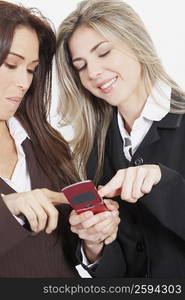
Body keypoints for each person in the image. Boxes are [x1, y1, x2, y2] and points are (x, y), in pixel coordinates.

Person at [56, 0, 185, 278]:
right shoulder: (95, 148)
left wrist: (164, 180)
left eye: (103, 52)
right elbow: (115, 273)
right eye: (81, 66)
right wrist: (94, 244)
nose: (92, 73)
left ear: (136, 42)